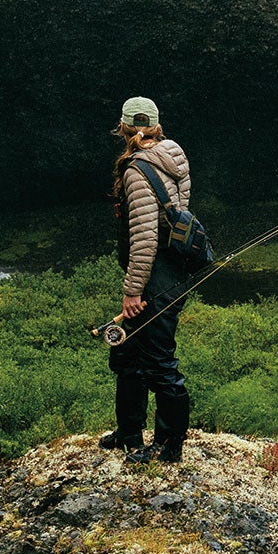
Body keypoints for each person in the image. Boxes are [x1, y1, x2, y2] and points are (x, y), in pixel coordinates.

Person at [99, 96, 195, 463]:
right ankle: (129, 431)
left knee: (159, 361)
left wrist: (133, 291)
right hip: (173, 266)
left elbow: (144, 237)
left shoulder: (137, 169)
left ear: (123, 128)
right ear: (157, 125)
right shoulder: (175, 156)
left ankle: (169, 447)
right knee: (127, 350)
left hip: (156, 274)